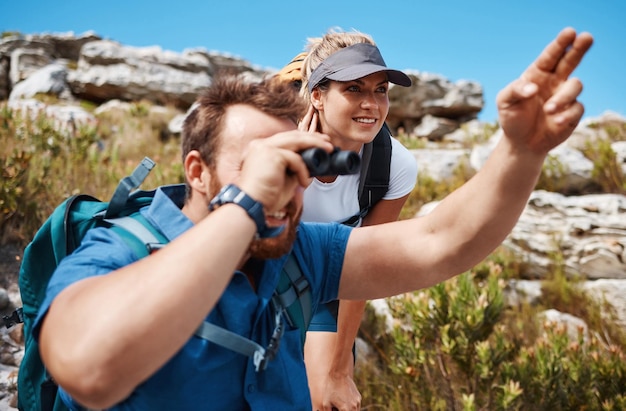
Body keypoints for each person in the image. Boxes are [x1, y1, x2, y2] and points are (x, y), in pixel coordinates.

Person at [35, 27, 592, 411]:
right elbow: (89, 368)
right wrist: (248, 206)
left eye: (297, 163)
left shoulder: (302, 251)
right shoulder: (121, 250)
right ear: (197, 172)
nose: (287, 181)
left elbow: (439, 240)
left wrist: (520, 153)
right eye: (262, 166)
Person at [277, 29, 418, 411]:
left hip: (326, 284)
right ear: (318, 96)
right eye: (354, 89)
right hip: (258, 267)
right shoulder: (273, 141)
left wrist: (340, 371)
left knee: (322, 399)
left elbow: (363, 266)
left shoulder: (394, 166)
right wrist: (292, 182)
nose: (371, 104)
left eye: (381, 90)